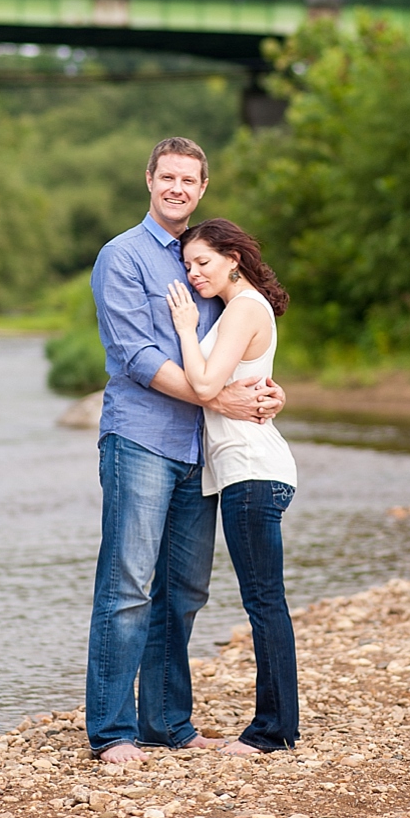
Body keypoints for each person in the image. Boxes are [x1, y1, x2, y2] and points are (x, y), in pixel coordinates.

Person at [86, 138, 287, 763]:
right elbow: (136, 358)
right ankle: (113, 731)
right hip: (142, 438)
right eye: (166, 176)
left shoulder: (207, 259)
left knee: (184, 590)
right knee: (127, 585)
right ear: (148, 179)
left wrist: (269, 391)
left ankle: (168, 723)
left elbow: (244, 341)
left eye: (188, 179)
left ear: (202, 188)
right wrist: (219, 400)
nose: (177, 187)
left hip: (200, 451)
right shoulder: (121, 257)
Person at [165, 217, 299, 755]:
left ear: (233, 259)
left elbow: (202, 384)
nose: (194, 273)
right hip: (249, 470)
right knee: (264, 600)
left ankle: (272, 732)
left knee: (264, 602)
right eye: (188, 265)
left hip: (251, 469)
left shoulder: (242, 308)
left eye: (204, 262)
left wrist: (182, 326)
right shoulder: (238, 308)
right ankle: (277, 726)